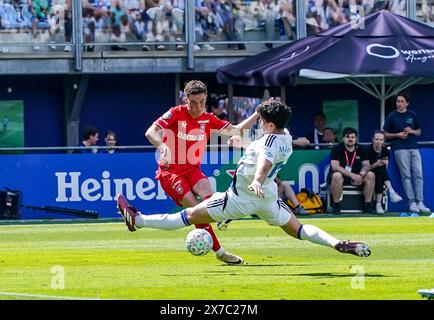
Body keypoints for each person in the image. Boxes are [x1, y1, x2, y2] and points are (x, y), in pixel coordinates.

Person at [118, 99, 371, 259]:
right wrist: (244, 141)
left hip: (241, 199)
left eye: (262, 121)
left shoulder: (268, 143)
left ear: (270, 126)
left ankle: (138, 220)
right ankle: (337, 243)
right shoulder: (284, 136)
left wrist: (257, 181)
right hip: (268, 200)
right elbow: (259, 147)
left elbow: (265, 161)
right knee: (299, 230)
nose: (259, 124)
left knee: (188, 216)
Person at [144, 80, 260, 265]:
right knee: (195, 211)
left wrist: (257, 113)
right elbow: (150, 132)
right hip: (170, 173)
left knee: (210, 197)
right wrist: (162, 145)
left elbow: (236, 130)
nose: (198, 107)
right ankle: (220, 252)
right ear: (185, 100)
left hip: (192, 169)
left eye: (202, 102)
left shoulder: (209, 119)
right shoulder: (175, 113)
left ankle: (222, 217)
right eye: (193, 102)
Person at [383, 93, 430, 213]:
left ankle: (420, 202)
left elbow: (419, 131)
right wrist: (397, 135)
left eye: (401, 101)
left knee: (419, 174)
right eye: (397, 101)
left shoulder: (412, 114)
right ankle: (412, 202)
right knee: (406, 175)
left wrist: (412, 131)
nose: (399, 103)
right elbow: (385, 134)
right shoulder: (391, 116)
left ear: (407, 103)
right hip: (399, 148)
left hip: (414, 147)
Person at [327, 127, 375, 214]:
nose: (350, 139)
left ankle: (367, 205)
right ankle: (336, 205)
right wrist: (352, 175)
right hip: (342, 176)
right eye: (348, 137)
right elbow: (335, 166)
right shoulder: (337, 148)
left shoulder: (361, 148)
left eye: (353, 137)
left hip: (357, 176)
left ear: (356, 138)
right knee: (337, 175)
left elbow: (366, 165)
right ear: (343, 138)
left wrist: (361, 175)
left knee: (371, 175)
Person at [365, 130, 403, 214]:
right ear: (373, 139)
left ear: (383, 141)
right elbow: (365, 168)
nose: (379, 141)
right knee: (379, 170)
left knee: (380, 175)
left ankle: (379, 204)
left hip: (379, 174)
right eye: (377, 139)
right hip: (367, 173)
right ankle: (391, 192)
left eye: (381, 140)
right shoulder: (367, 149)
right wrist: (376, 164)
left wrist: (384, 163)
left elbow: (385, 167)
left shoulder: (385, 151)